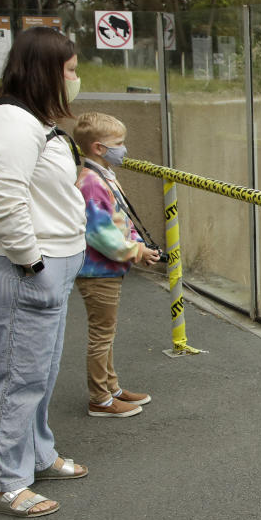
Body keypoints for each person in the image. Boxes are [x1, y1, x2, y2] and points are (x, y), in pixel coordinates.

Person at [0, 27, 88, 518]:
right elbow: (6, 199)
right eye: (71, 70)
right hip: (20, 268)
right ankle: (5, 482)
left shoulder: (31, 121)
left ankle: (34, 453)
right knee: (15, 375)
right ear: (47, 71)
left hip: (48, 264)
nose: (76, 79)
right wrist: (31, 262)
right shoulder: (9, 122)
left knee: (39, 371)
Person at [71, 111, 159, 418]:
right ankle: (100, 398)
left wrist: (137, 245)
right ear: (98, 147)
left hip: (107, 270)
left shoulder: (103, 175)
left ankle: (111, 386)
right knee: (101, 335)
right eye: (118, 143)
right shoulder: (92, 183)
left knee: (106, 331)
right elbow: (100, 232)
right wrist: (136, 251)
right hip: (98, 271)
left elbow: (119, 218)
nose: (123, 149)